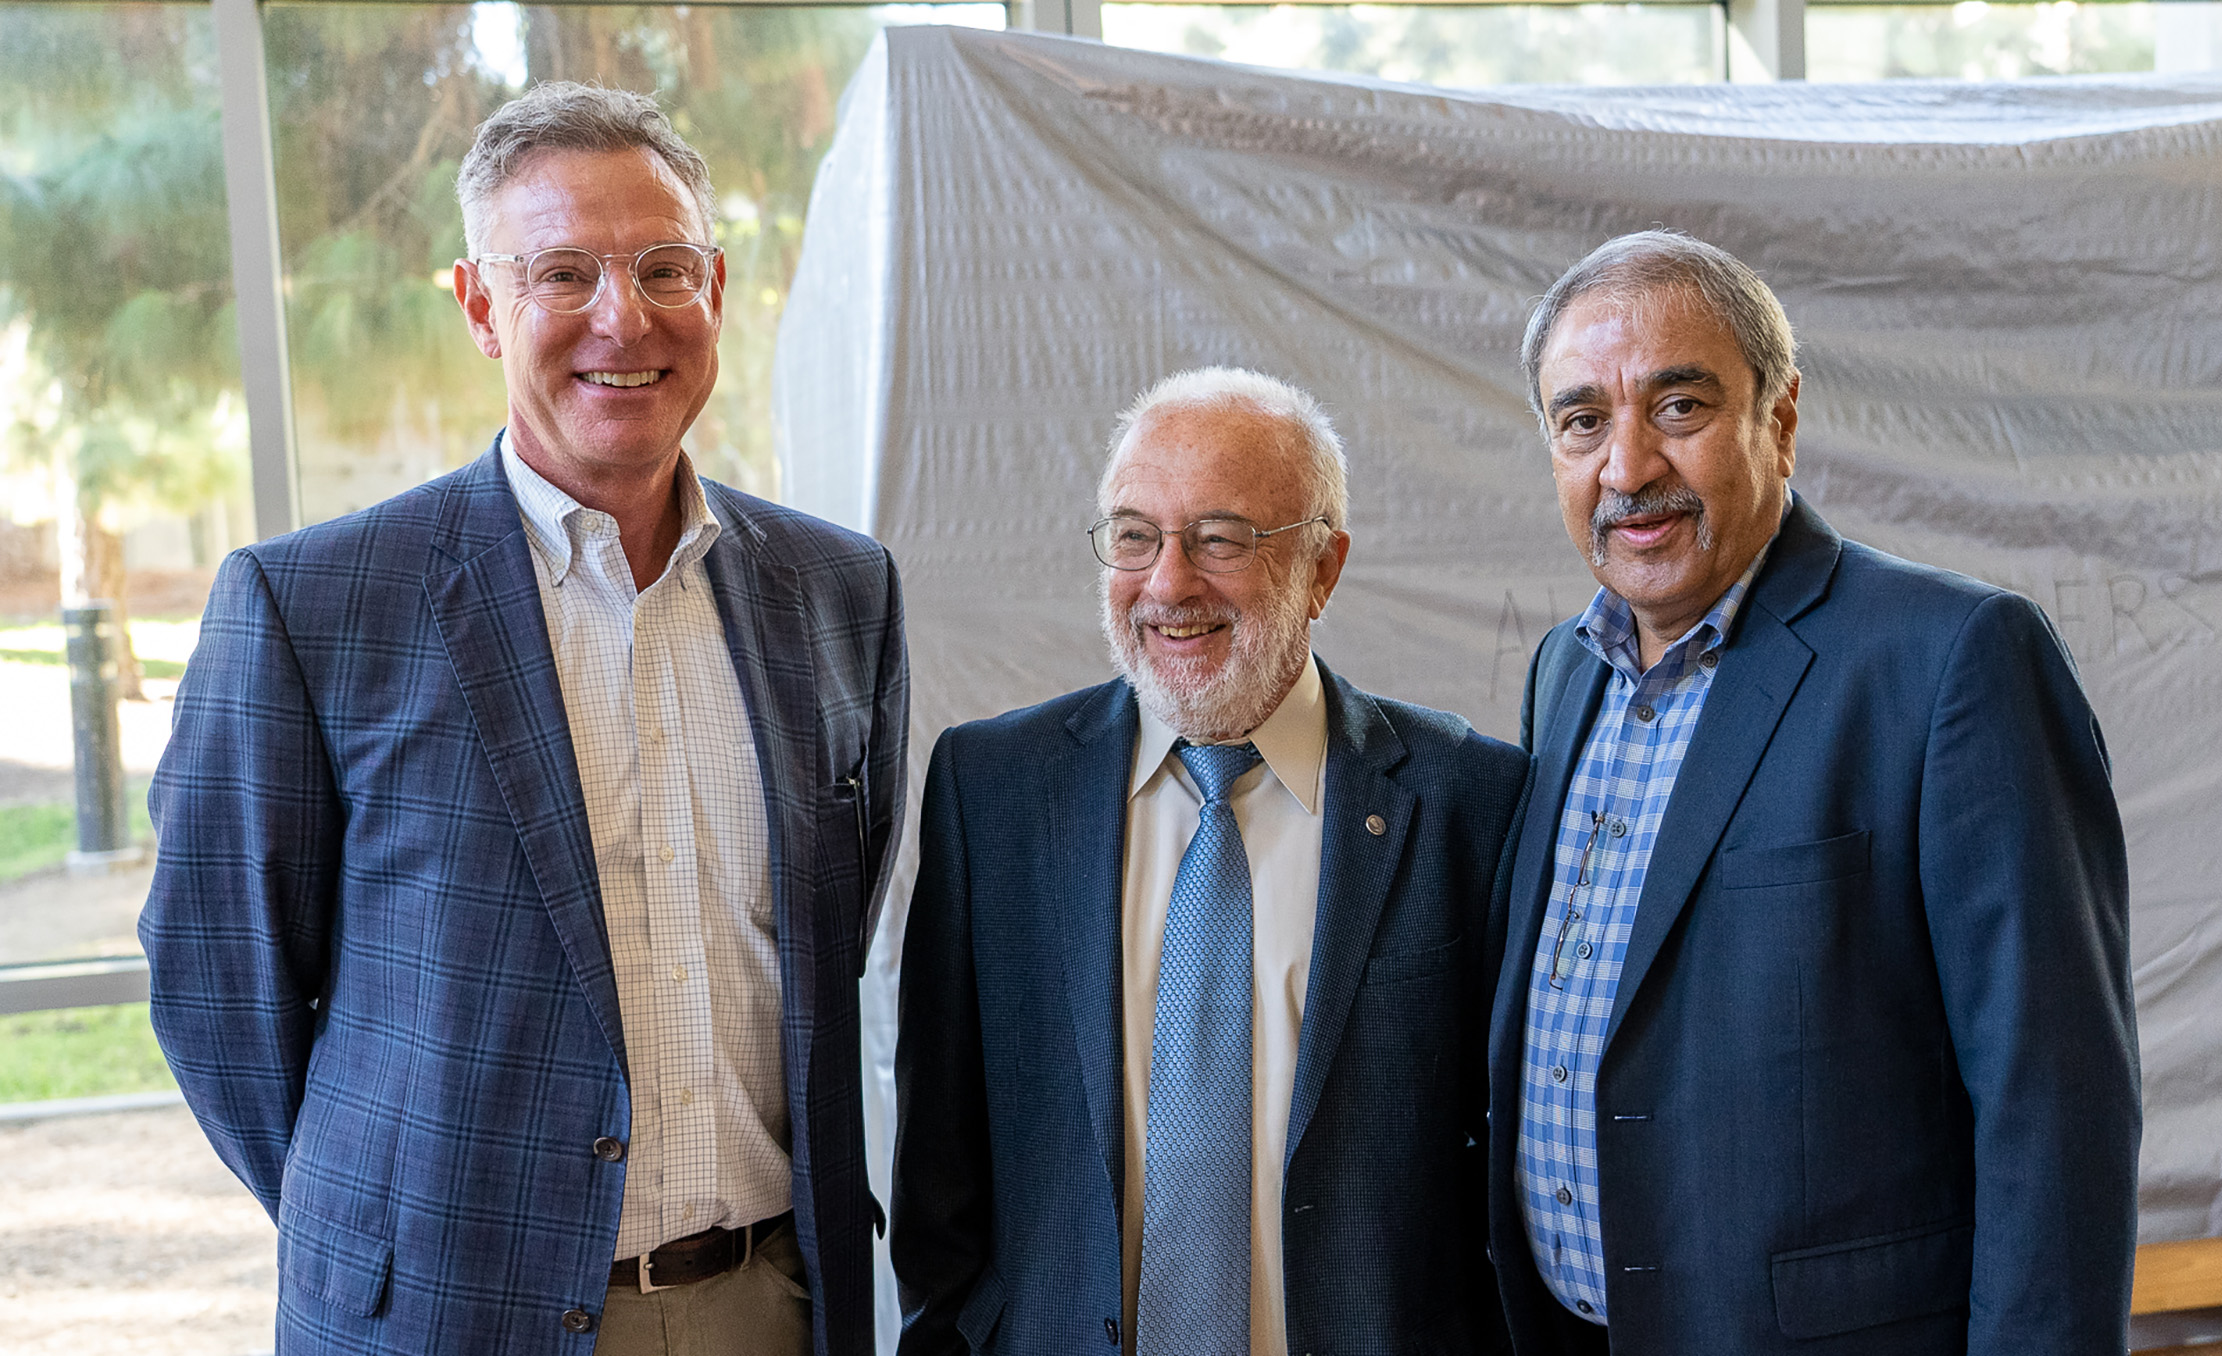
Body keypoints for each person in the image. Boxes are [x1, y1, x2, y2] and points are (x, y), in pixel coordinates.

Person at [140, 82, 906, 1355]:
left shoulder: (839, 591)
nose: (627, 317)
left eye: (665, 266)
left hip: (776, 1305)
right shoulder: (311, 604)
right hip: (450, 1313)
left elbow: (831, 942)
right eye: (563, 272)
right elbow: (221, 988)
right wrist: (395, 1227)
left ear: (715, 288)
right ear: (481, 307)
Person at [1489, 231, 2139, 1355]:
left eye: (1679, 407)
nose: (1628, 466)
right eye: (1583, 419)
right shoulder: (1564, 672)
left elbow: (2057, 1112)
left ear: (1778, 422)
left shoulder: (1951, 661)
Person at [890, 367, 1527, 1356]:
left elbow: (1506, 1185)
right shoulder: (994, 791)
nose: (1169, 583)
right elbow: (941, 1176)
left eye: (1221, 539)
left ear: (1323, 568)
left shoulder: (1470, 804)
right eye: (1135, 536)